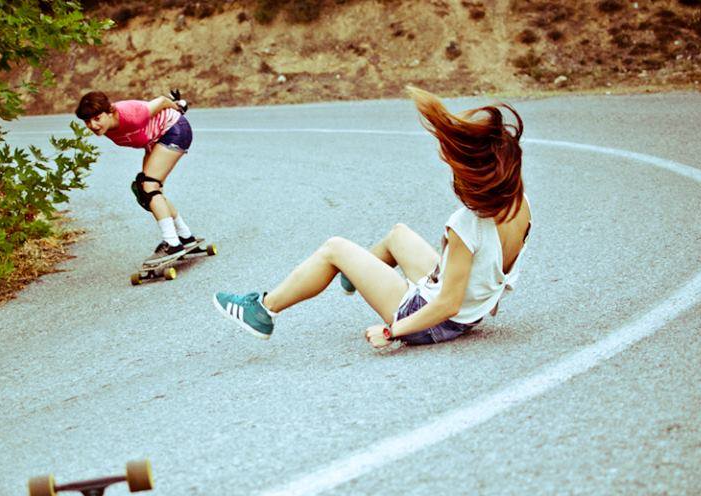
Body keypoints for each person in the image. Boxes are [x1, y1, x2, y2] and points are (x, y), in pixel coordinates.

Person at [212, 87, 532, 349]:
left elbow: (447, 304)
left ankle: (263, 310)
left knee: (334, 248)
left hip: (430, 319)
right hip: (466, 312)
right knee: (398, 234)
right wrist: (484, 300)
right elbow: (497, 268)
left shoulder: (466, 225)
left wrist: (393, 331)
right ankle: (360, 272)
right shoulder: (520, 204)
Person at [75, 89, 203, 267]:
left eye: (97, 118)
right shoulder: (107, 127)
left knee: (149, 186)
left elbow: (161, 101)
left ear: (109, 112)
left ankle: (172, 243)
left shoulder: (131, 114)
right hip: (157, 139)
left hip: (174, 130)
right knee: (148, 191)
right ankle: (185, 236)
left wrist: (178, 107)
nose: (93, 125)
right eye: (88, 121)